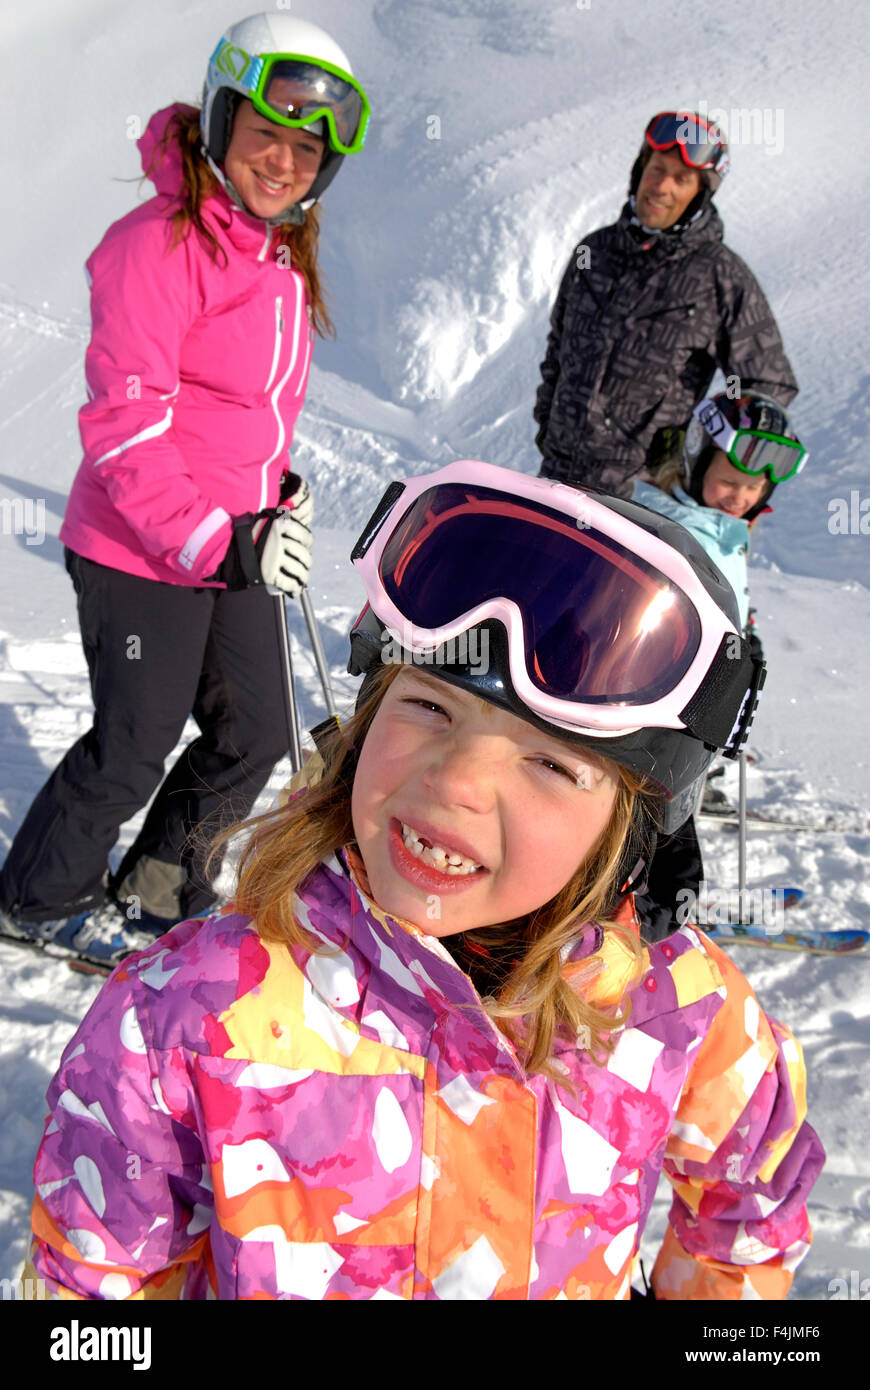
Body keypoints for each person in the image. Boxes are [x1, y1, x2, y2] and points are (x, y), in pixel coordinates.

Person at [25, 460, 823, 1301]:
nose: (456, 784)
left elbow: (754, 1212)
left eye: (551, 762)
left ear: (632, 830)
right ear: (366, 715)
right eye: (430, 707)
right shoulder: (186, 1019)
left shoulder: (681, 1012)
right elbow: (96, 1290)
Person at [0, 13, 371, 966]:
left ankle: (158, 888)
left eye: (305, 148)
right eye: (266, 135)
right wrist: (225, 540)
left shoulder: (273, 252)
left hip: (230, 535)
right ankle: (36, 899)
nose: (284, 162)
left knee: (258, 730)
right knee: (134, 742)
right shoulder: (156, 244)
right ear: (220, 118)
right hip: (138, 543)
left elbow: (230, 406)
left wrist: (270, 487)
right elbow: (127, 431)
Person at [534, 110, 798, 498]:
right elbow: (557, 352)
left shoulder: (719, 275)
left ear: (699, 194)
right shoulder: (594, 253)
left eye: (681, 179)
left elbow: (768, 386)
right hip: (556, 478)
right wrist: (548, 428)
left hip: (640, 500)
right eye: (656, 169)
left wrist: (695, 457)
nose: (661, 186)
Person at [631, 391, 807, 938]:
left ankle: (639, 911)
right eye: (730, 479)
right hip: (655, 713)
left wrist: (742, 641)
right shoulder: (671, 526)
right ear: (694, 460)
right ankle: (634, 928)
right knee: (664, 841)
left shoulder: (722, 527)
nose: (741, 496)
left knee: (665, 826)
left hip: (694, 709)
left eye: (754, 487)